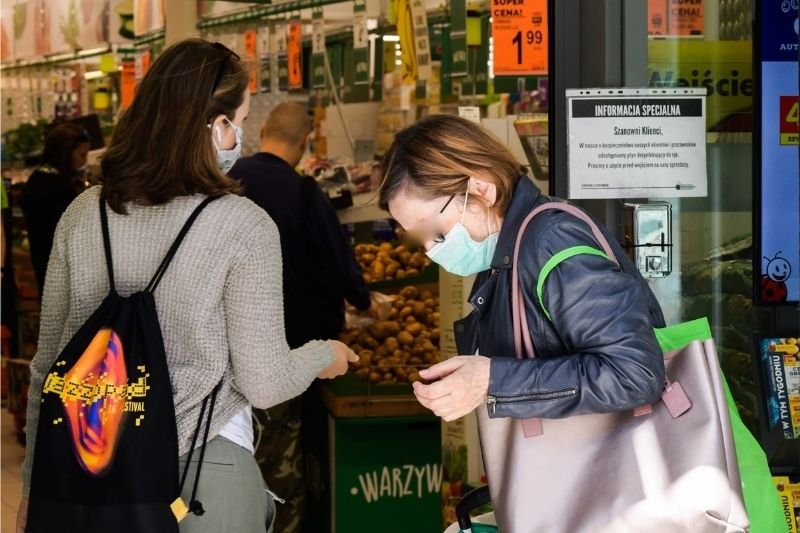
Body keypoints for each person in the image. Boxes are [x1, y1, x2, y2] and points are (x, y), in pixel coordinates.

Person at [17, 39, 357, 533]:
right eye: (237, 124)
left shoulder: (82, 215)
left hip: (83, 473)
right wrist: (324, 354)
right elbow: (263, 381)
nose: (239, 137)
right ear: (217, 127)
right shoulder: (242, 225)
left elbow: (47, 368)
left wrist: (33, 485)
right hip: (201, 475)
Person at [378, 114, 665, 437]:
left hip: (614, 477)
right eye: (418, 238)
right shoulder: (506, 255)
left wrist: (493, 379)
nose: (430, 249)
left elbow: (635, 374)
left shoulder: (553, 243)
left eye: (436, 232)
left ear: (481, 190)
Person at [228, 102, 371, 533]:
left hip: (225, 350)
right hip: (286, 352)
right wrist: (363, 301)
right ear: (306, 142)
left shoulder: (226, 182)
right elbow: (343, 266)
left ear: (262, 130)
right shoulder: (305, 193)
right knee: (280, 462)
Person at [19, 122, 90, 293]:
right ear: (65, 153)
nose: (84, 161)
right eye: (82, 155)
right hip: (62, 277)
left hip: (44, 269)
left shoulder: (37, 179)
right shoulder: (58, 190)